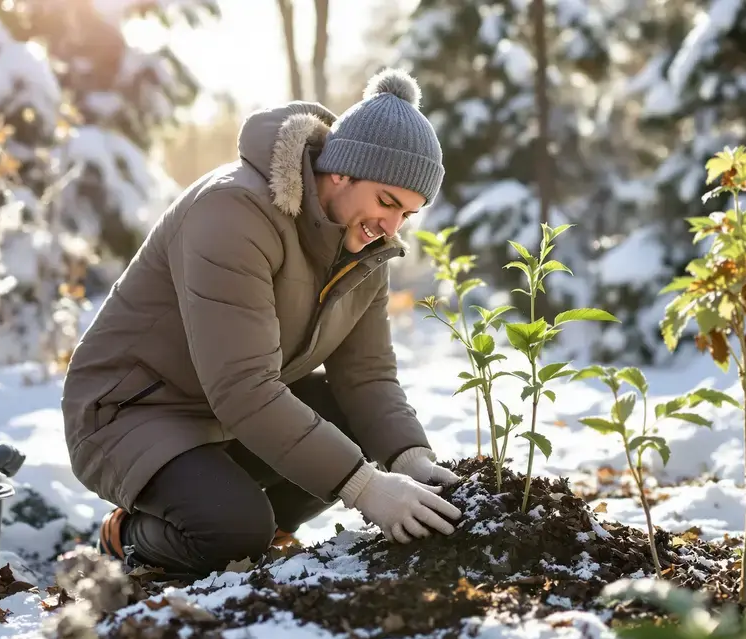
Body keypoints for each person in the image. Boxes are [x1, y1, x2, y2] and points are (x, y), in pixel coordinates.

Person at [59, 68, 463, 576]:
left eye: (408, 213)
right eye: (387, 201)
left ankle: (249, 522)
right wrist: (367, 488)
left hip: (227, 413)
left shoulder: (365, 245)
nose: (392, 226)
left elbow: (366, 375)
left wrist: (409, 459)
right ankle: (132, 533)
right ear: (340, 172)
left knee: (350, 418)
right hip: (133, 412)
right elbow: (244, 387)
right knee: (231, 536)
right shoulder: (233, 211)